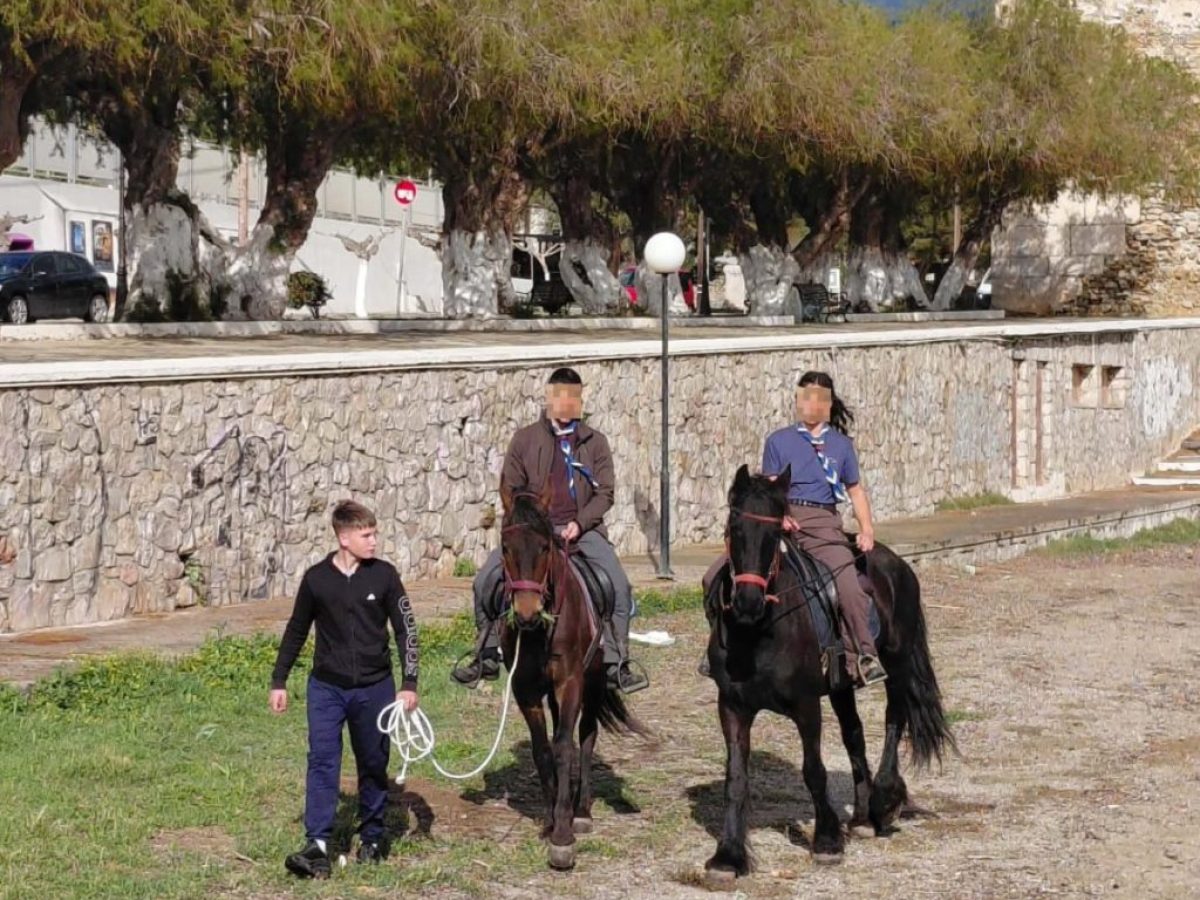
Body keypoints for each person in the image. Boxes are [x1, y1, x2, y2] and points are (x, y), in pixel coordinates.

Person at [451, 367, 648, 694]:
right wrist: (530, 522)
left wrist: (580, 523)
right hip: (532, 533)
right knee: (484, 581)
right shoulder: (524, 440)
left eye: (573, 396)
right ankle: (484, 655)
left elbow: (606, 493)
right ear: (549, 398)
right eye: (560, 396)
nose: (566, 403)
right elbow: (510, 488)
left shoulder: (595, 443)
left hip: (583, 531)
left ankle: (617, 662)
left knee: (619, 587)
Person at [703, 370, 886, 688]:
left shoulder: (841, 446)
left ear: (828, 404)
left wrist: (866, 528)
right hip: (780, 522)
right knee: (712, 576)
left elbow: (855, 490)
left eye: (817, 398)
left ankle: (864, 655)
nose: (810, 404)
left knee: (848, 586)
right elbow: (771, 486)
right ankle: (717, 648)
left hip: (822, 524)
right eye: (805, 396)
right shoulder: (778, 440)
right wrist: (781, 515)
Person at [269, 500, 420, 879]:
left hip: (375, 687)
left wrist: (409, 684)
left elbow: (407, 630)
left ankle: (371, 836)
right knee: (322, 760)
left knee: (373, 761)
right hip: (326, 688)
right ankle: (316, 844)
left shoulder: (384, 576)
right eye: (366, 535)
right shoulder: (316, 579)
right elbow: (296, 630)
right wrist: (279, 679)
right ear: (344, 537)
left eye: (374, 533)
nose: (374, 541)